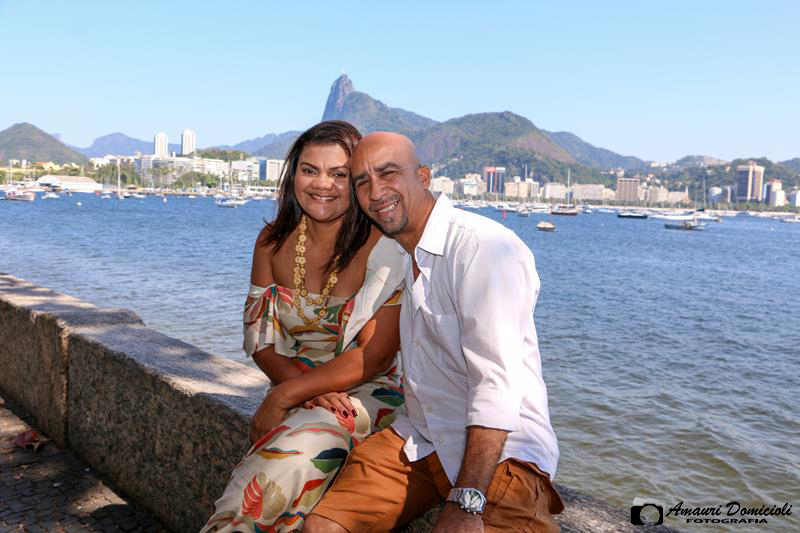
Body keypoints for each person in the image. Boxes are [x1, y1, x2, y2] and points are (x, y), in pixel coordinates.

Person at [305, 132, 564, 533]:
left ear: (423, 177)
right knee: (320, 527)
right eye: (362, 181)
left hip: (500, 454)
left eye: (388, 173)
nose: (376, 191)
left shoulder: (483, 248)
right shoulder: (400, 253)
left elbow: (496, 386)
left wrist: (467, 501)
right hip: (421, 438)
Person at [201, 122, 406, 533]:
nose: (322, 184)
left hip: (368, 391)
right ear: (292, 174)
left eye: (339, 174)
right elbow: (260, 340)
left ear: (359, 181)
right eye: (310, 170)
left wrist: (287, 396)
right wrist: (302, 387)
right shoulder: (272, 241)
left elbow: (376, 354)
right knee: (293, 454)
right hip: (297, 380)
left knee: (289, 460)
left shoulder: (384, 246)